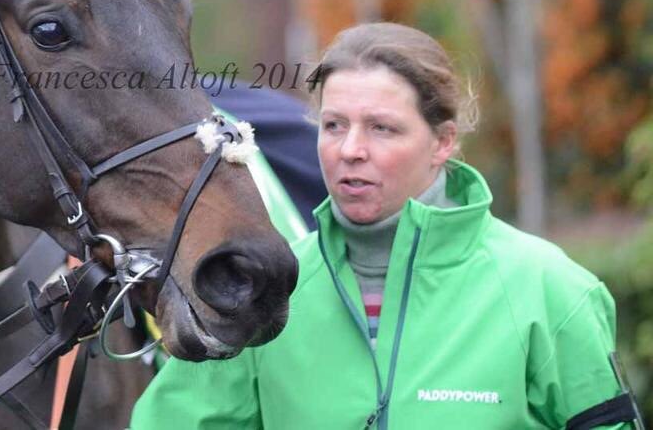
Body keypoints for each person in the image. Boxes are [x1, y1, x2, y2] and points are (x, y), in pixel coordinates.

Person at [131, 22, 642, 429]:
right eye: (334, 126)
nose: (351, 150)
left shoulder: (549, 289)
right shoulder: (260, 296)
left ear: (443, 142)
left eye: (382, 128)